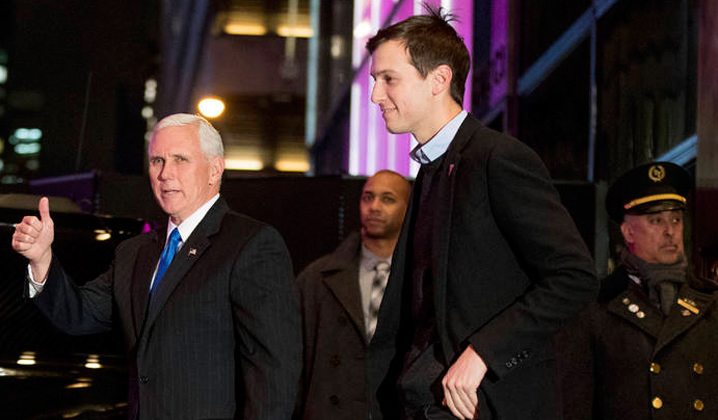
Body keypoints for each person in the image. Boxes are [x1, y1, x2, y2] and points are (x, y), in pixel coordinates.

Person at [363, 8, 598, 420]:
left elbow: (574, 277)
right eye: (374, 81)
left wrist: (483, 353)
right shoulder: (431, 171)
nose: (375, 95)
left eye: (389, 79)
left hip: (481, 405)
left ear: (439, 80)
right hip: (421, 403)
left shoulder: (497, 158)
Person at [11, 113, 301, 420]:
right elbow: (78, 315)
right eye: (157, 161)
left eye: (180, 159)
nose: (165, 173)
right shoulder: (135, 251)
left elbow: (273, 372)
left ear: (215, 169)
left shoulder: (251, 244)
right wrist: (41, 259)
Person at [557, 161, 718, 419]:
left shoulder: (710, 303)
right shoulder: (595, 310)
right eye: (656, 220)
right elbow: (574, 406)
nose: (669, 231)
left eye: (676, 219)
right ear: (629, 232)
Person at [295, 170, 411, 420]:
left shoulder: (422, 279)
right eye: (368, 197)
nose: (374, 207)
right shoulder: (317, 278)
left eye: (388, 199)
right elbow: (294, 361)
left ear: (408, 208)